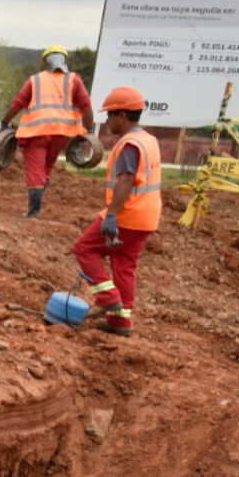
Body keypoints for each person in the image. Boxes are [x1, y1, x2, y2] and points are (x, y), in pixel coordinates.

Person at [71, 86, 160, 337]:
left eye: (110, 115)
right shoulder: (148, 140)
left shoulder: (130, 144)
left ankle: (108, 299)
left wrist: (111, 215)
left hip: (127, 215)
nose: (107, 120)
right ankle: (120, 323)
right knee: (124, 265)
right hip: (146, 217)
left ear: (122, 116)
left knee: (84, 248)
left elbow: (126, 180)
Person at [1, 45, 94, 217]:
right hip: (62, 133)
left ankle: (34, 211)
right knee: (47, 167)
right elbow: (86, 105)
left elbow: (18, 103)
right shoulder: (74, 80)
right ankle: (36, 205)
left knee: (36, 170)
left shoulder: (35, 80)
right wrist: (90, 128)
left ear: (45, 63)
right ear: (65, 60)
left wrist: (5, 122)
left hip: (36, 132)